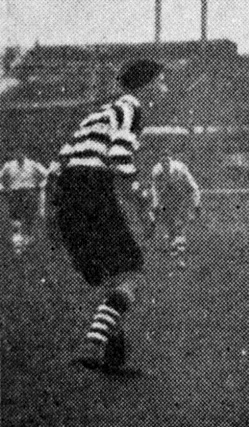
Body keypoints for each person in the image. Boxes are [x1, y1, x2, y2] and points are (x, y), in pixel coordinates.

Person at [52, 59, 167, 374]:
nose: (164, 89)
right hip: (92, 187)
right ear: (146, 85)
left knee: (113, 277)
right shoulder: (130, 110)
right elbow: (119, 160)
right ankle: (93, 344)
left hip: (68, 195)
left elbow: (58, 164)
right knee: (131, 273)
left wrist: (55, 219)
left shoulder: (96, 114)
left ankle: (113, 356)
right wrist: (145, 204)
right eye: (161, 82)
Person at [146, 150, 200, 268]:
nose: (165, 163)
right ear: (160, 162)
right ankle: (173, 250)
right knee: (170, 225)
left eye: (167, 160)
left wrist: (196, 205)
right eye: (162, 161)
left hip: (184, 195)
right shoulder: (157, 170)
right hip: (168, 197)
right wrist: (155, 205)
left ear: (171, 160)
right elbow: (155, 189)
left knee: (179, 225)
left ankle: (180, 255)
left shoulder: (180, 168)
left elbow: (193, 187)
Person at [1, 150, 50, 254]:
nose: (19, 154)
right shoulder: (9, 166)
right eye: (17, 152)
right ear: (14, 154)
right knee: (16, 220)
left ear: (25, 153)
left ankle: (27, 244)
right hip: (14, 194)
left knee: (29, 219)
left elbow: (46, 175)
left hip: (29, 193)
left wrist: (41, 185)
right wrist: (2, 189)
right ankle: (17, 246)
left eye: (22, 152)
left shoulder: (33, 165)